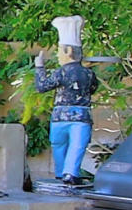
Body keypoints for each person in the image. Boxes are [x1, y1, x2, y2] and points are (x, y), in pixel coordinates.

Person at [39, 14, 100, 184]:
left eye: (60, 51)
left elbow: (42, 86)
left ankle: (61, 173)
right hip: (81, 117)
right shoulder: (89, 73)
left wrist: (39, 68)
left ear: (68, 51)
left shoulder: (61, 72)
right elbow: (94, 88)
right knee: (76, 147)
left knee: (59, 146)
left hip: (60, 116)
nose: (58, 55)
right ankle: (70, 173)